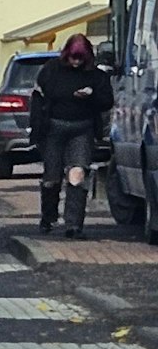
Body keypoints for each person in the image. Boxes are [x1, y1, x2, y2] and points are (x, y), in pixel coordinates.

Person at [32, 33, 114, 238]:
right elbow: (41, 95)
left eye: (80, 58)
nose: (76, 62)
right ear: (66, 54)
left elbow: (106, 101)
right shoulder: (51, 71)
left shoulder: (96, 76)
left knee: (77, 175)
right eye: (73, 57)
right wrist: (36, 130)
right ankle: (48, 217)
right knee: (52, 178)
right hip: (53, 129)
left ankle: (74, 225)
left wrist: (92, 95)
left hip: (82, 129)